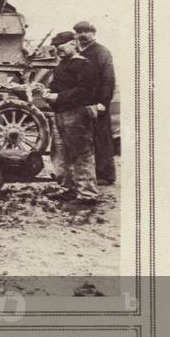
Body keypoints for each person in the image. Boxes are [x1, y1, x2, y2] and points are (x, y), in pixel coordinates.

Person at [42, 31, 100, 207]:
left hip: (77, 114)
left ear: (73, 44)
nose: (58, 51)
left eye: (61, 48)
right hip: (60, 114)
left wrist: (57, 98)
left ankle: (88, 195)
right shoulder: (62, 65)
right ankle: (67, 189)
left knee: (81, 153)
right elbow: (56, 86)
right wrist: (48, 93)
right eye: (56, 49)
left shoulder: (84, 65)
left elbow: (84, 92)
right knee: (59, 154)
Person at [74, 21, 117, 184]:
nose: (82, 35)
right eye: (79, 32)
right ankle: (86, 174)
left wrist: (103, 102)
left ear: (94, 33)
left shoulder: (101, 52)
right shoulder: (77, 52)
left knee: (101, 137)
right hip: (81, 103)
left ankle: (105, 176)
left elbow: (108, 79)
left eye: (86, 31)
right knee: (82, 139)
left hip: (97, 103)